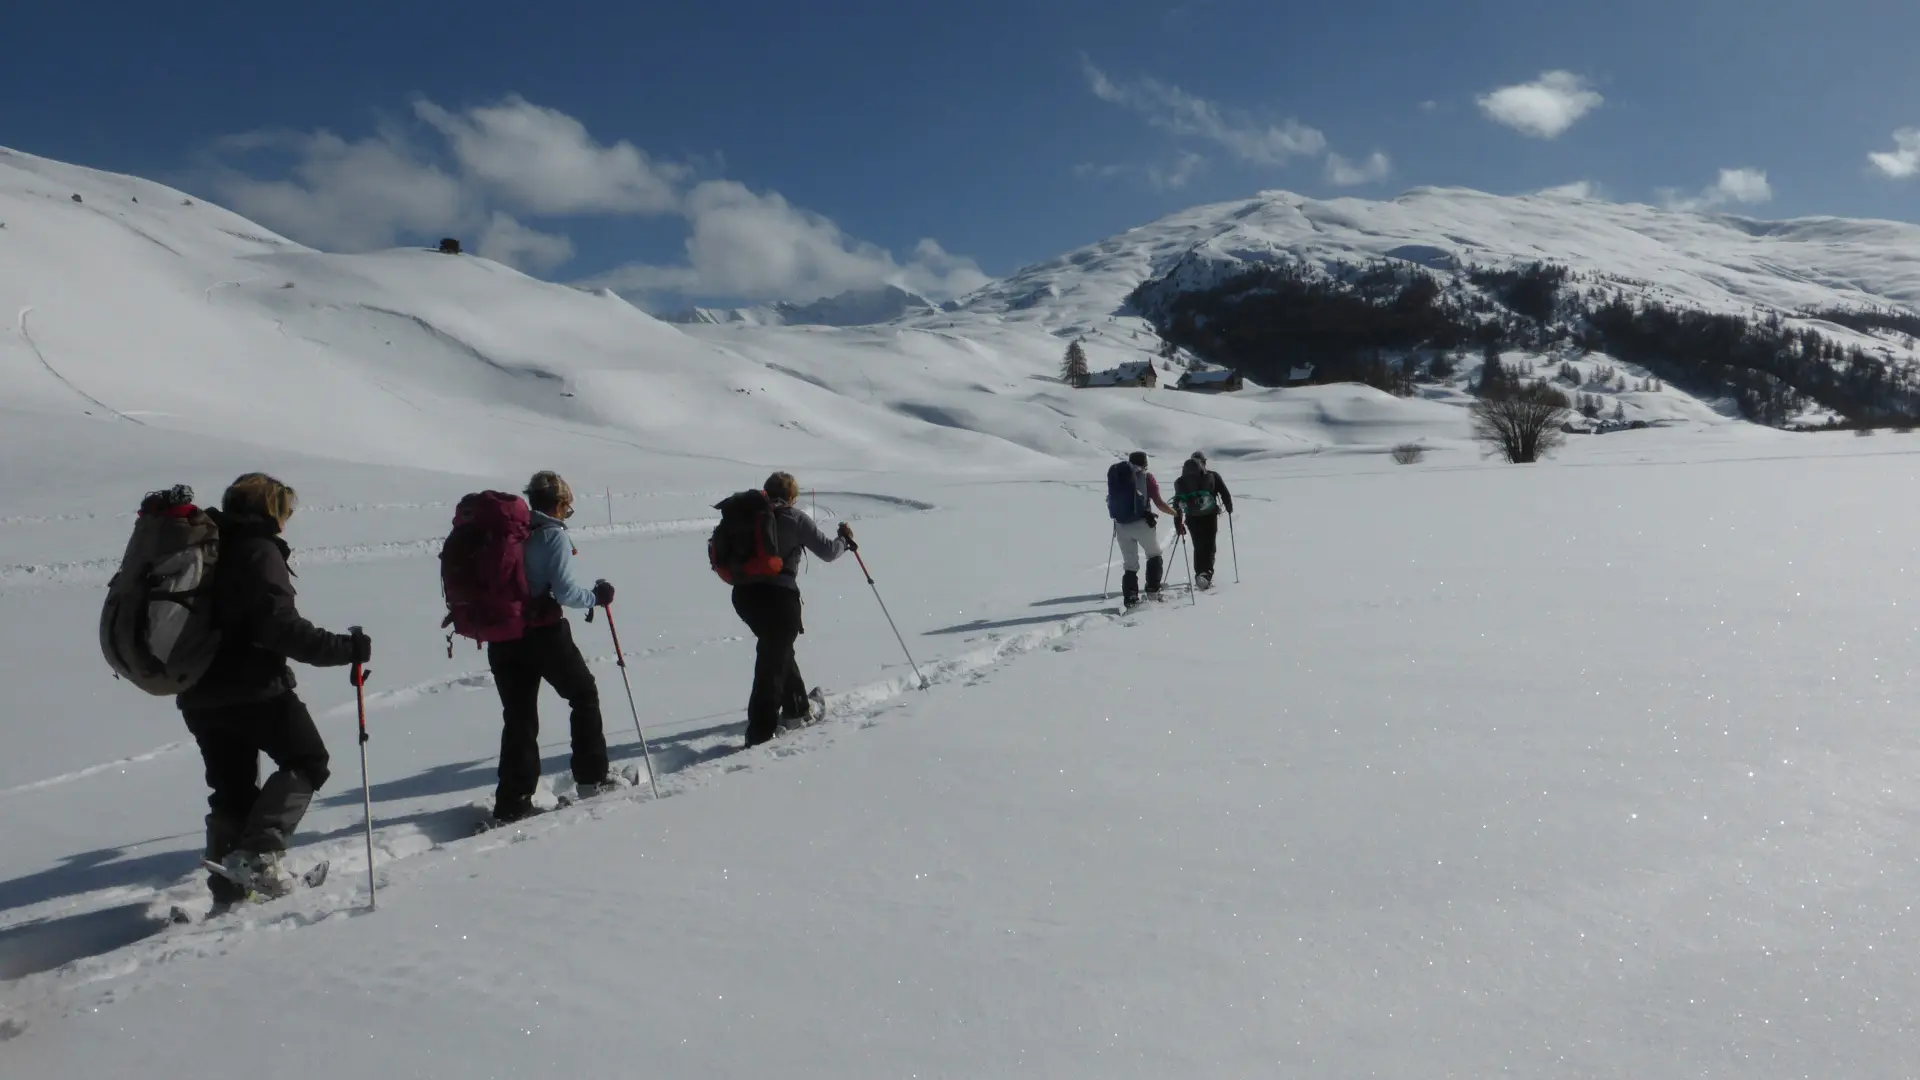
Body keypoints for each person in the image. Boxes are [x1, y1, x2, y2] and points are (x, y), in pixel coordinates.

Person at [178, 473, 369, 906]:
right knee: (307, 760)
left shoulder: (204, 549)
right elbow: (279, 627)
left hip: (198, 692)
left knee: (232, 790)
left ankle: (229, 888)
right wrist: (346, 649)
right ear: (271, 511)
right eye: (285, 511)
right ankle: (260, 857)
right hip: (255, 687)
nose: (287, 521)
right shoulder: (257, 550)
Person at [486, 471, 622, 824]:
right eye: (568, 507)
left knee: (518, 716)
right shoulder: (551, 536)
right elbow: (564, 592)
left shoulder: (508, 532)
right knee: (583, 695)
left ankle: (513, 803)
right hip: (542, 634)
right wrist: (596, 596)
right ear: (560, 503)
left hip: (501, 635)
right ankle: (592, 779)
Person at [729, 472, 854, 748]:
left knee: (777, 650)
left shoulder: (748, 515)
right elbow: (829, 552)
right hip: (779, 598)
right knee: (771, 661)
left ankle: (797, 706)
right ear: (792, 495)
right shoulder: (793, 518)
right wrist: (844, 540)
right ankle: (761, 732)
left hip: (744, 597)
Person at [1111, 451, 1177, 606]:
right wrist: (1175, 513)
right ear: (1145, 462)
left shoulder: (1118, 475)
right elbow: (1159, 503)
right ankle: (1153, 591)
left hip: (1121, 524)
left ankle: (1131, 598)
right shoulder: (1147, 477)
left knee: (1130, 564)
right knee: (1154, 555)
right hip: (1142, 523)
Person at [1172, 451, 1234, 589]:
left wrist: (1178, 524)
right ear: (1203, 463)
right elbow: (1224, 492)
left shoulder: (1183, 481)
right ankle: (1206, 574)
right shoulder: (1212, 476)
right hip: (1209, 515)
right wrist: (1229, 507)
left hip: (1192, 518)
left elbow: (1177, 504)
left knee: (1198, 546)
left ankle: (1199, 573)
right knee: (1210, 545)